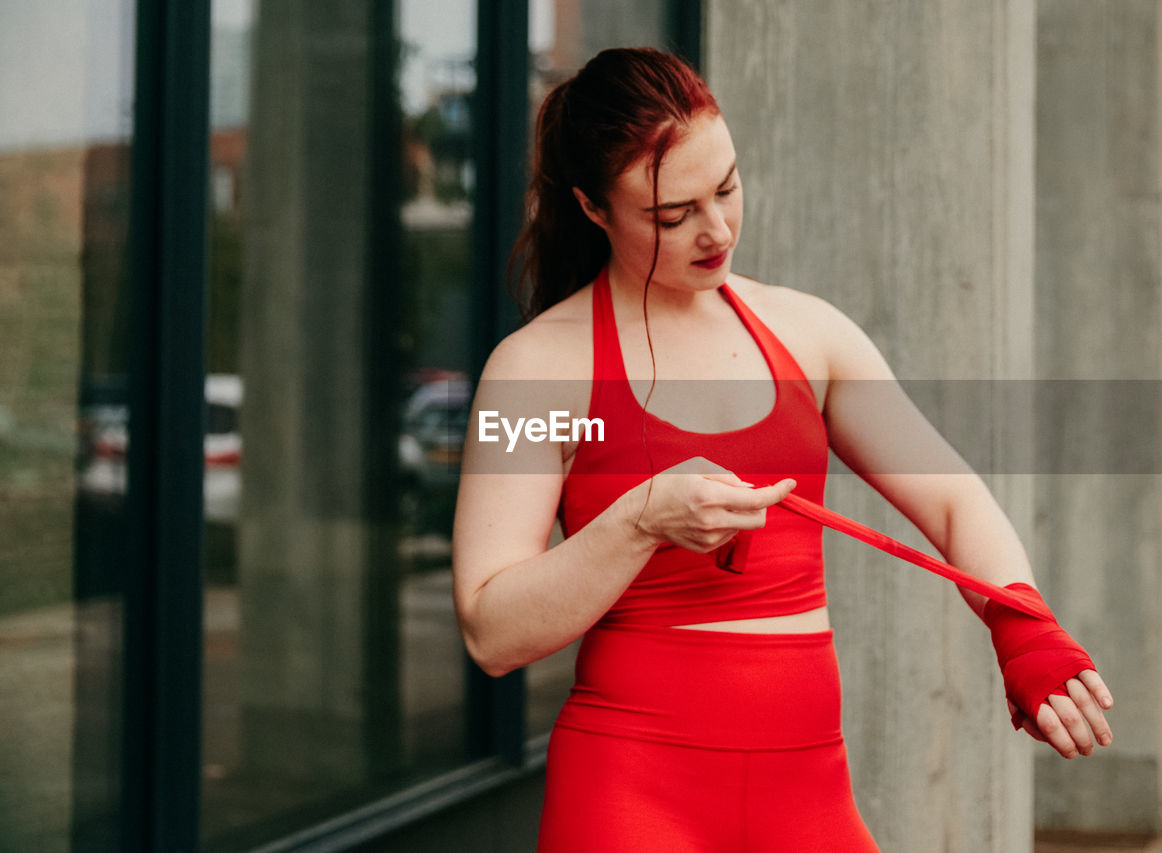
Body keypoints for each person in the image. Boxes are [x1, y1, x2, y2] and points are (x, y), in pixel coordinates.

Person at [452, 47, 1113, 852]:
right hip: (630, 791)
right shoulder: (533, 369)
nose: (717, 229)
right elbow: (490, 629)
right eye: (673, 215)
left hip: (808, 792)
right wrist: (640, 520)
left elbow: (951, 498)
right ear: (594, 209)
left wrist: (1023, 628)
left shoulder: (810, 332)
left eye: (727, 187)